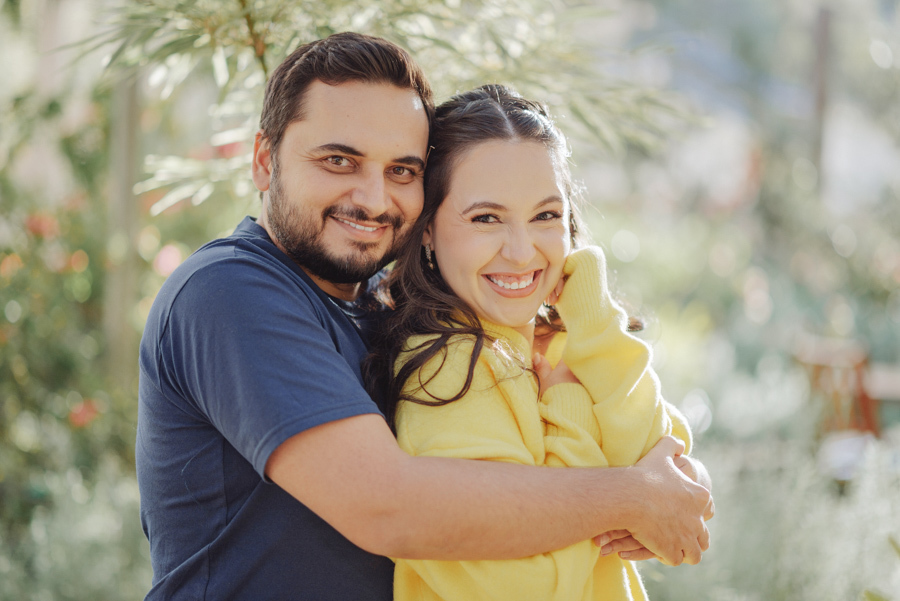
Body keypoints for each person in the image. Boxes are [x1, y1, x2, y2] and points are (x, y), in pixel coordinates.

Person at [136, 32, 712, 601]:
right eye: (339, 160)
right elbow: (387, 506)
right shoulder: (229, 292)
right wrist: (631, 497)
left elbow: (664, 463)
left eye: (402, 171)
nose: (373, 197)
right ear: (265, 161)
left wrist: (677, 481)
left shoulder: (387, 307)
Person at [364, 84, 706, 601]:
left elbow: (667, 466)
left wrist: (594, 323)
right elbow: (517, 587)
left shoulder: (562, 345)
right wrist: (574, 414)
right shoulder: (447, 369)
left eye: (545, 215)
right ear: (428, 230)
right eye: (486, 218)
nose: (522, 252)